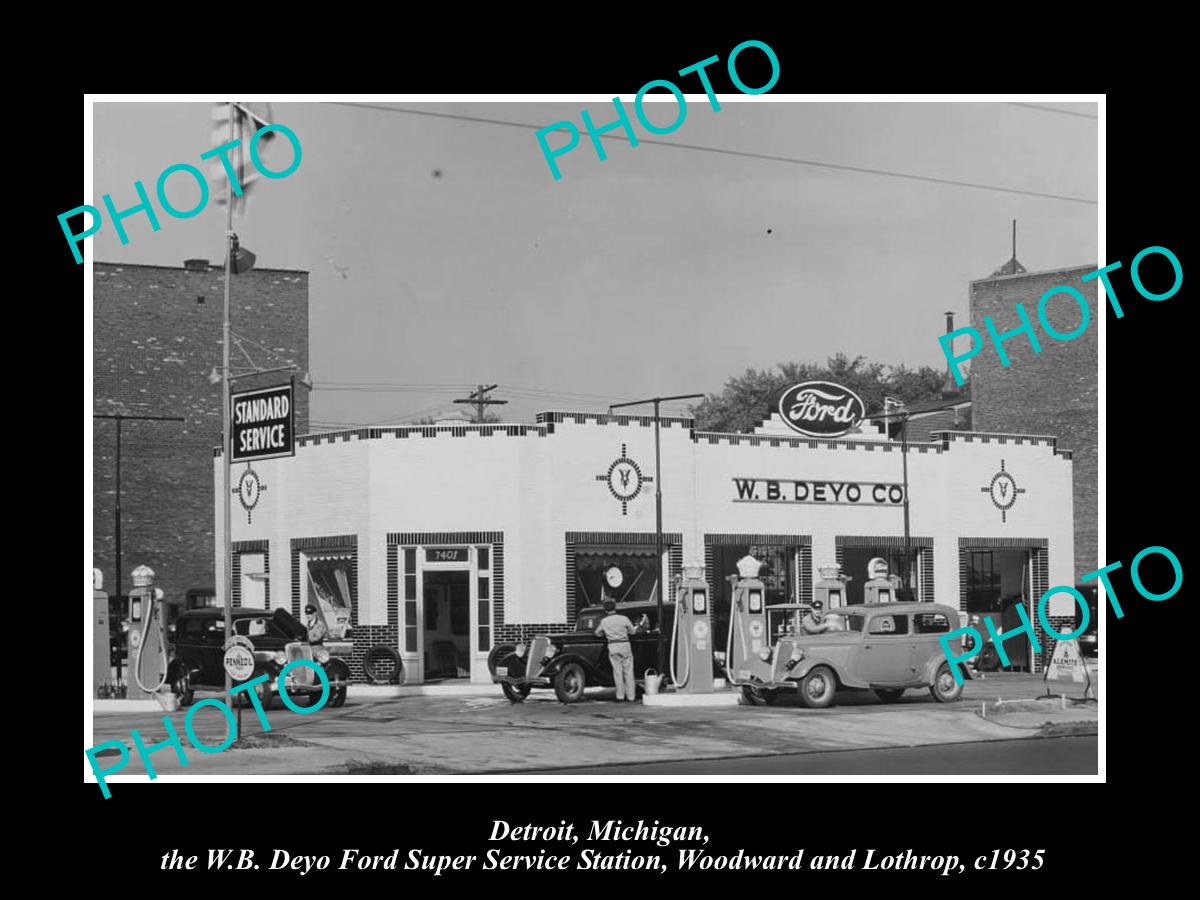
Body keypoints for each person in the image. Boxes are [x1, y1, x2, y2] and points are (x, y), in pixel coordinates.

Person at [594, 599, 637, 702]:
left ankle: (620, 696)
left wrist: (605, 634)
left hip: (613, 645)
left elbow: (597, 633)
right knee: (629, 671)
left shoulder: (604, 621)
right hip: (625, 644)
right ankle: (631, 696)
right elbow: (633, 632)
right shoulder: (624, 619)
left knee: (617, 672)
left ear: (605, 610)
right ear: (615, 608)